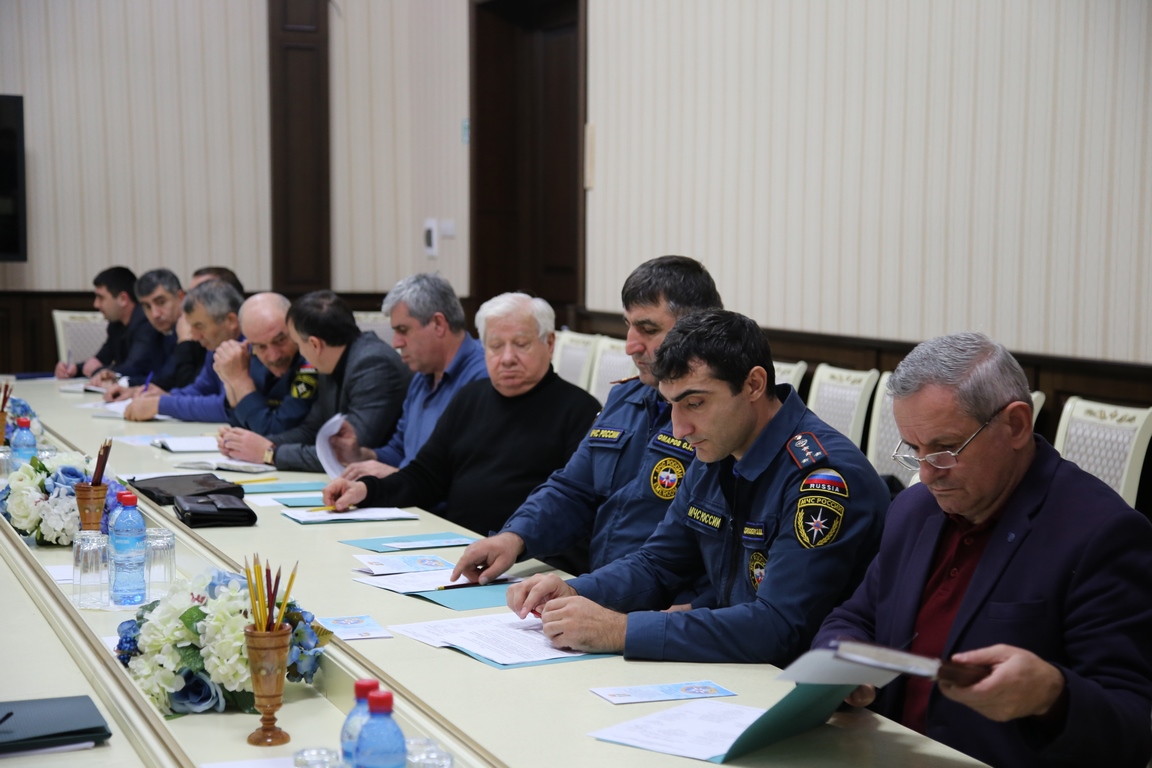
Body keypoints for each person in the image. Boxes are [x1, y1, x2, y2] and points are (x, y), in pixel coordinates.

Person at [813, 332, 1152, 768]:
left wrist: (1052, 695)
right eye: (914, 450)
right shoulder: (914, 510)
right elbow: (856, 616)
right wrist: (837, 659)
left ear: (1016, 425)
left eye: (944, 449)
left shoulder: (1100, 533)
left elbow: (1132, 729)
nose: (927, 475)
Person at [507, 310, 889, 664]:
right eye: (671, 404)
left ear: (754, 384)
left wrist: (620, 630)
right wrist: (577, 592)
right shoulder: (719, 448)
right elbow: (658, 564)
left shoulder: (821, 478)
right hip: (734, 667)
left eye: (695, 403)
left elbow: (779, 627)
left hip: (802, 687)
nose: (679, 429)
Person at [453, 255, 723, 581]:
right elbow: (573, 489)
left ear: (694, 329)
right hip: (603, 589)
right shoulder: (625, 399)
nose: (630, 346)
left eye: (648, 330)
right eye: (628, 326)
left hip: (663, 600)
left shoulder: (723, 416)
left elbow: (719, 546)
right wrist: (514, 537)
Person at [322, 292, 602, 537]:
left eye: (520, 344)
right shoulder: (470, 397)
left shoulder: (580, 411)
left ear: (549, 343)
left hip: (530, 560)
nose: (507, 358)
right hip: (457, 547)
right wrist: (367, 490)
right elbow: (425, 477)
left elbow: (576, 508)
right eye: (495, 346)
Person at [219, 290, 410, 472]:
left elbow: (348, 452)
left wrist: (270, 453)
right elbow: (311, 430)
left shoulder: (373, 365)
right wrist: (247, 444)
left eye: (297, 343)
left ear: (314, 344)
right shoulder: (330, 362)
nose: (300, 353)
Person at [330, 273, 488, 481]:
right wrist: (360, 456)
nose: (396, 343)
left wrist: (400, 478)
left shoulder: (483, 377)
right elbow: (400, 451)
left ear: (438, 324)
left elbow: (472, 475)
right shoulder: (422, 377)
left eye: (403, 330)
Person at [124, 279, 244, 422]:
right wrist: (166, 396)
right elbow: (201, 389)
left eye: (199, 326)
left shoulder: (253, 346)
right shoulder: (217, 345)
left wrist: (161, 404)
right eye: (191, 326)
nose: (194, 336)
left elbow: (227, 408)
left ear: (231, 321)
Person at [213, 292, 318, 434]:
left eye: (280, 340)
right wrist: (229, 382)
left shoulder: (311, 363)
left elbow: (274, 431)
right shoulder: (252, 358)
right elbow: (239, 423)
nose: (273, 356)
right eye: (261, 346)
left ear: (295, 327)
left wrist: (240, 381)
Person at [102, 269, 206, 401]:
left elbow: (183, 383)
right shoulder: (155, 330)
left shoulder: (199, 334)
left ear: (181, 298)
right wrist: (125, 384)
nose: (155, 314)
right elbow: (156, 375)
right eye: (147, 306)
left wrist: (184, 343)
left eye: (161, 302)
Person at [54, 266, 165, 385]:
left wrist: (97, 371)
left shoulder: (146, 322)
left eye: (101, 298)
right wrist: (75, 369)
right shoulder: (116, 324)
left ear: (123, 299)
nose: (96, 304)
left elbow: (133, 368)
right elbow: (100, 359)